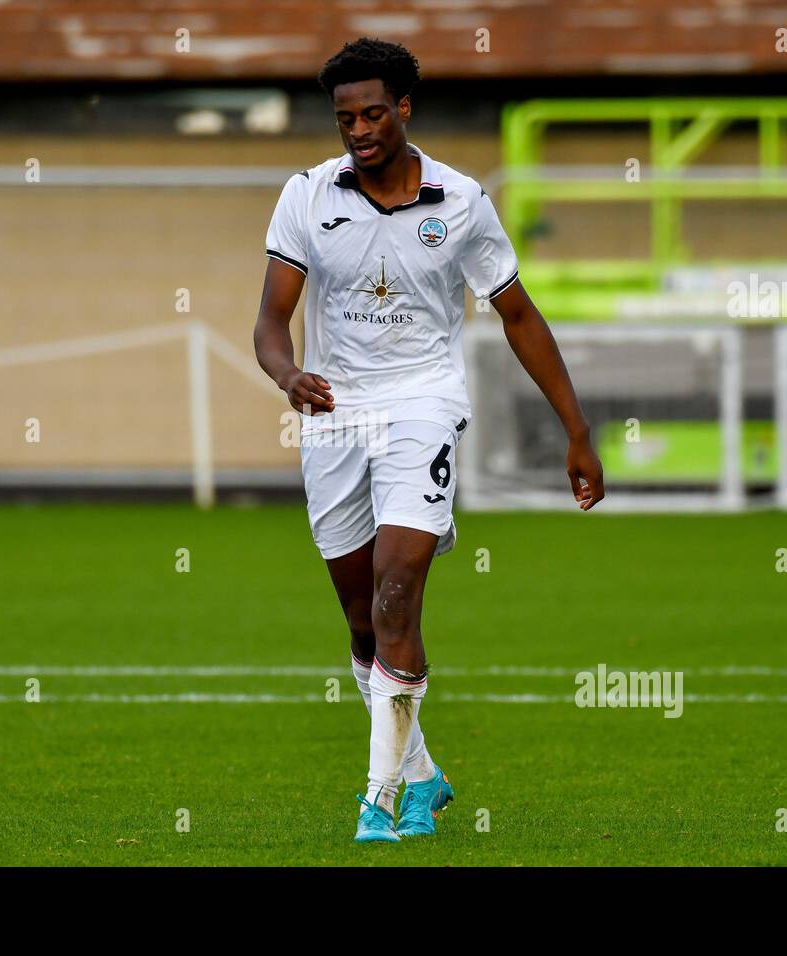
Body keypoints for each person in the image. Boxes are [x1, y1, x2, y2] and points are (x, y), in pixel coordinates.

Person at [253, 37, 604, 843]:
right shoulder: (307, 196)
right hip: (336, 413)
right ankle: (424, 777)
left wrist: (577, 431)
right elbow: (272, 319)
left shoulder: (462, 201)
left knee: (397, 588)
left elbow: (519, 315)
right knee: (360, 617)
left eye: (374, 112)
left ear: (404, 109)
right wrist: (288, 375)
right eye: (346, 117)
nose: (360, 130)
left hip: (423, 404)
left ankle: (380, 798)